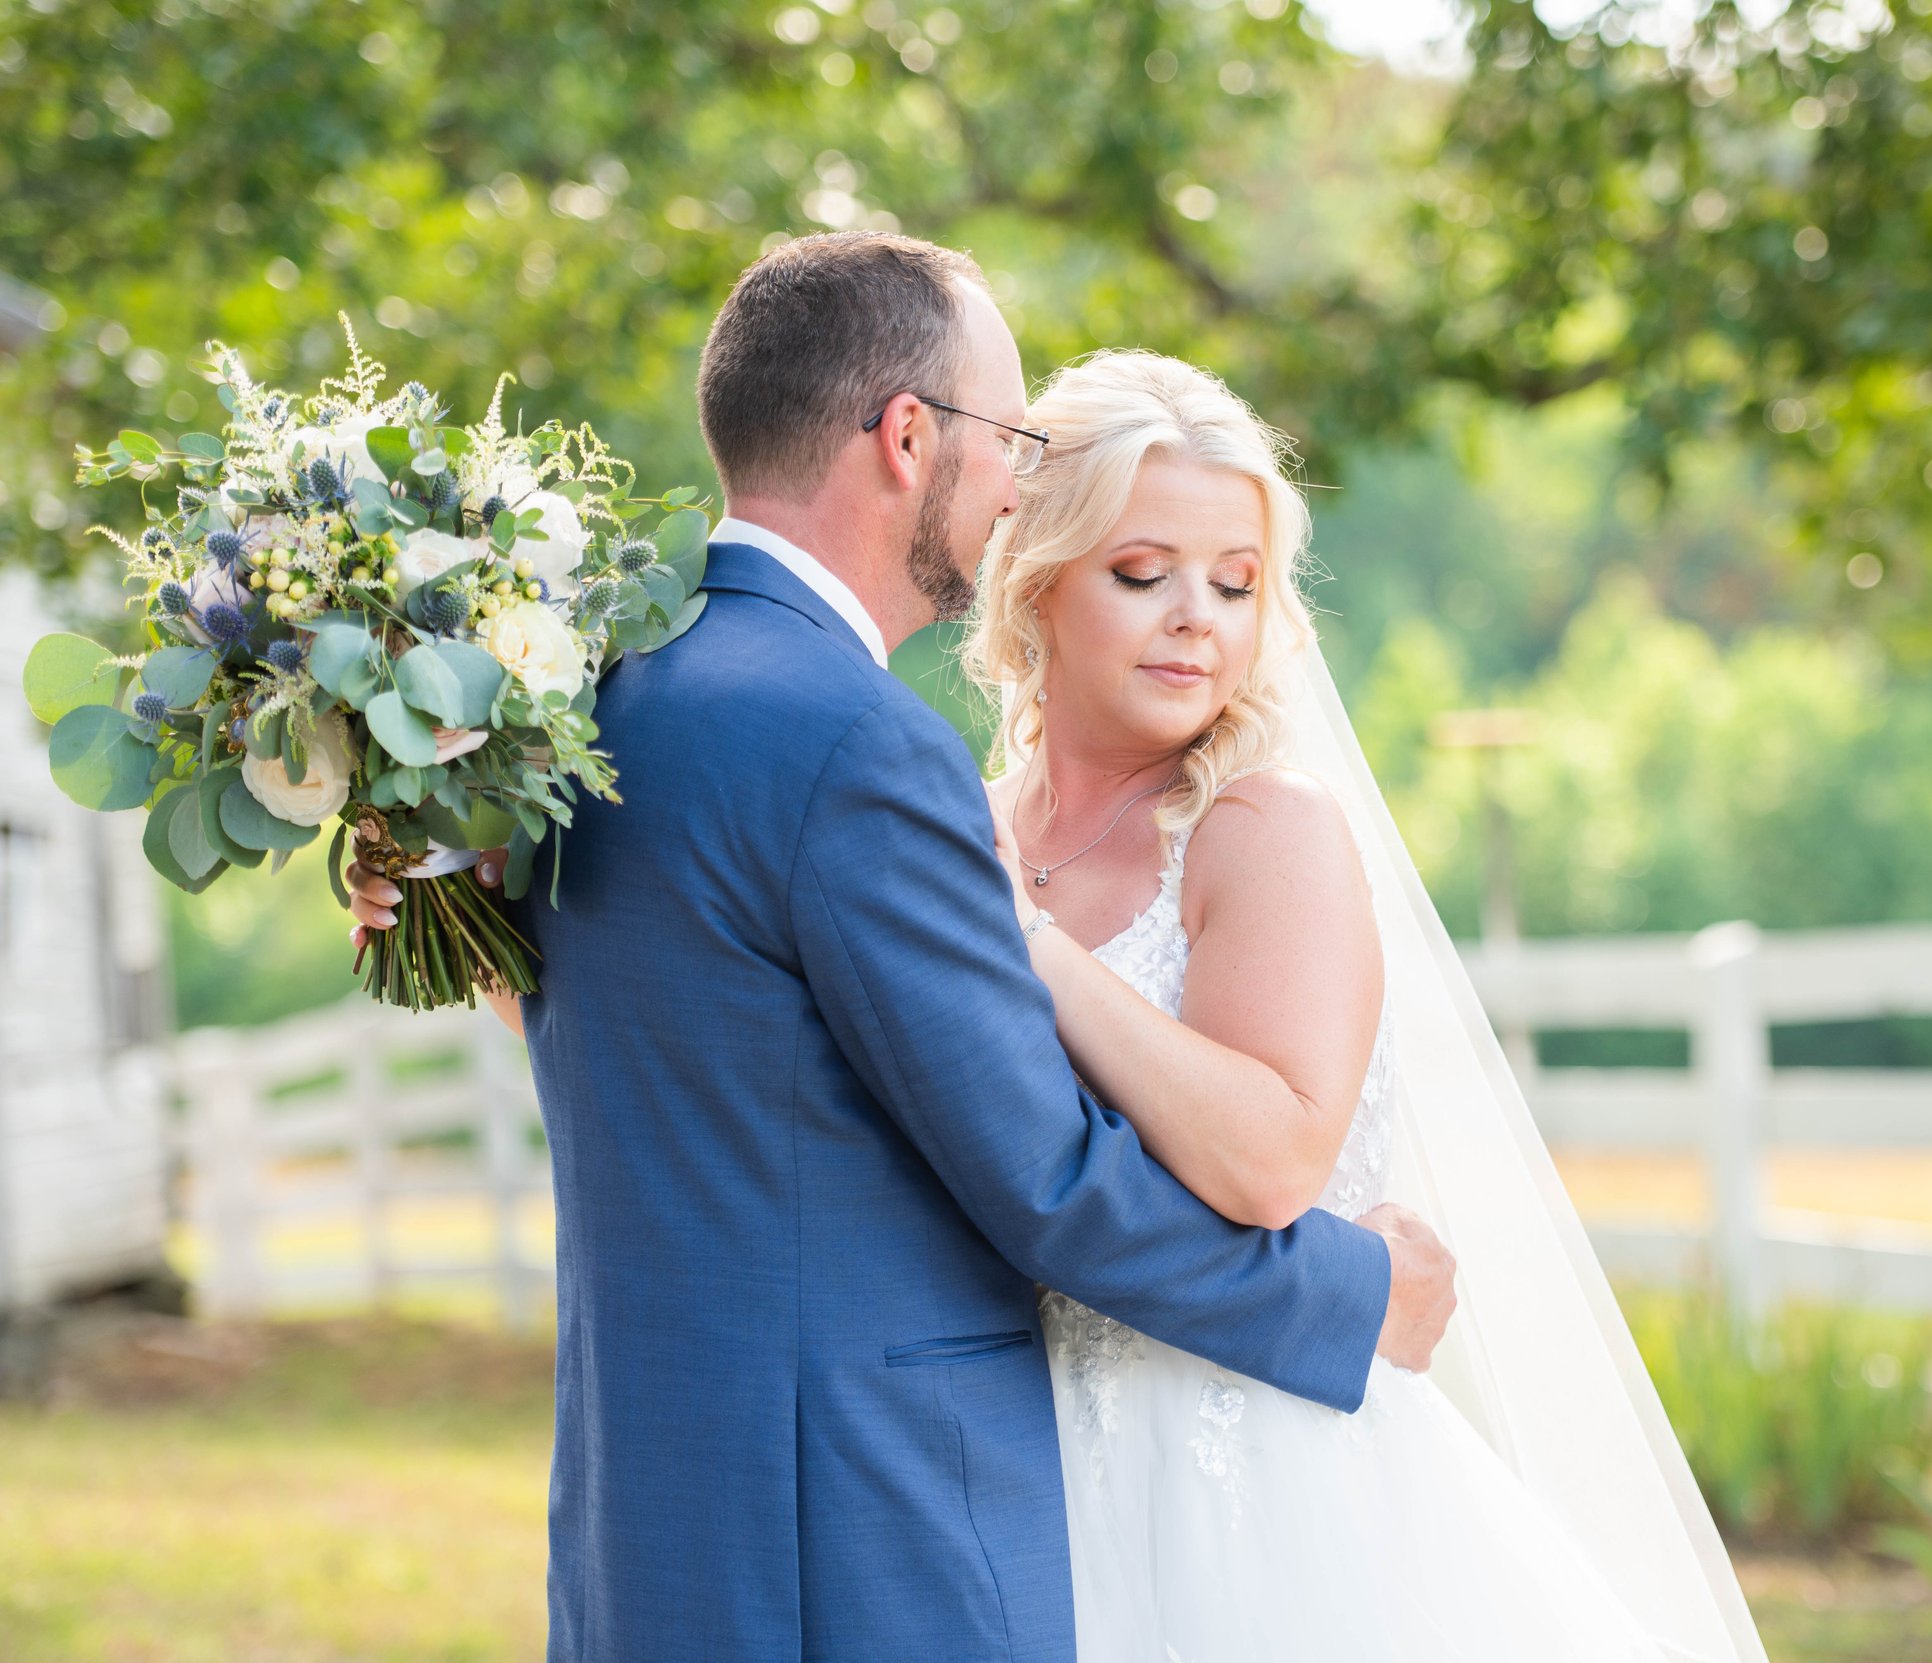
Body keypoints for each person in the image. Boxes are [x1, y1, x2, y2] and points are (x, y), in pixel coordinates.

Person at [349, 231, 1455, 1663]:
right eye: (1002, 435)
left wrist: (449, 896)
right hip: (860, 1539)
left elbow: (691, 1043)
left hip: (657, 1525)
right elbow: (1047, 1182)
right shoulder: (858, 744)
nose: (1012, 479)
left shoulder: (605, 708)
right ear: (907, 436)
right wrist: (1349, 1296)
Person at [958, 348, 1767, 1663]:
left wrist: (1031, 942)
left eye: (1235, 582)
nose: (1197, 620)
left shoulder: (1258, 827)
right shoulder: (970, 833)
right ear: (1037, 583)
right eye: (1142, 572)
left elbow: (1272, 1160)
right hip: (1029, 1465)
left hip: (1261, 1476)